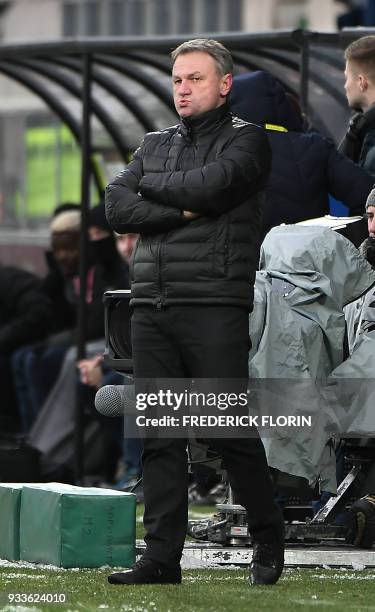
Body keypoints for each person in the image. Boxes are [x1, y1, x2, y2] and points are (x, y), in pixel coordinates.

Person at [105, 38, 284, 587]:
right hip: (152, 304)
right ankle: (161, 559)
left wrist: (153, 195)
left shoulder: (248, 141)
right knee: (159, 434)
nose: (183, 89)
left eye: (195, 79)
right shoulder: (155, 142)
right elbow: (115, 203)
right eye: (178, 79)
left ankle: (267, 538)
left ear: (224, 83)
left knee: (226, 430)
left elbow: (215, 186)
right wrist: (181, 205)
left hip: (212, 302)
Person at [230, 70, 374, 239]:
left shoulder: (222, 151)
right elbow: (367, 194)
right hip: (309, 259)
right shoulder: (314, 146)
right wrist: (347, 241)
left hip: (244, 261)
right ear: (280, 104)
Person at [339, 35, 375, 176]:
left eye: (347, 77)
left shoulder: (368, 135)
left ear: (361, 82)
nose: (345, 85)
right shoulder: (362, 129)